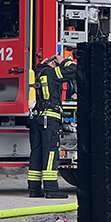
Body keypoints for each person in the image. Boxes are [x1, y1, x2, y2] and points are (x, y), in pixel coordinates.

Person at [28, 53, 76, 198]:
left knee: (36, 153)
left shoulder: (36, 73)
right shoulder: (51, 73)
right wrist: (63, 61)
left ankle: (34, 189)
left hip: (36, 119)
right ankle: (51, 189)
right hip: (49, 120)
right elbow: (74, 70)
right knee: (50, 153)